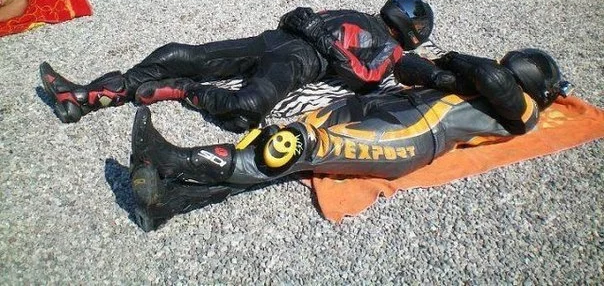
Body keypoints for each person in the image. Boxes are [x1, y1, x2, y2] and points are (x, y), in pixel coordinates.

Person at [128, 48, 572, 231]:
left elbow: (494, 79)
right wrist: (441, 75)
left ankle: (174, 161)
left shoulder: (525, 112)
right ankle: (170, 201)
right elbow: (408, 65)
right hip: (383, 107)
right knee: (281, 139)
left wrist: (455, 63)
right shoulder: (479, 83)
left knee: (296, 146)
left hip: (414, 134)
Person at [39, 0, 434, 132]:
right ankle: (86, 95)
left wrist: (322, 40)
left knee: (248, 108)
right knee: (178, 53)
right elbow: (299, 19)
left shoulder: (392, 50)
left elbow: (366, 75)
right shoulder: (358, 14)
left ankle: (183, 90)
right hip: (272, 41)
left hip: (300, 61)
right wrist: (299, 17)